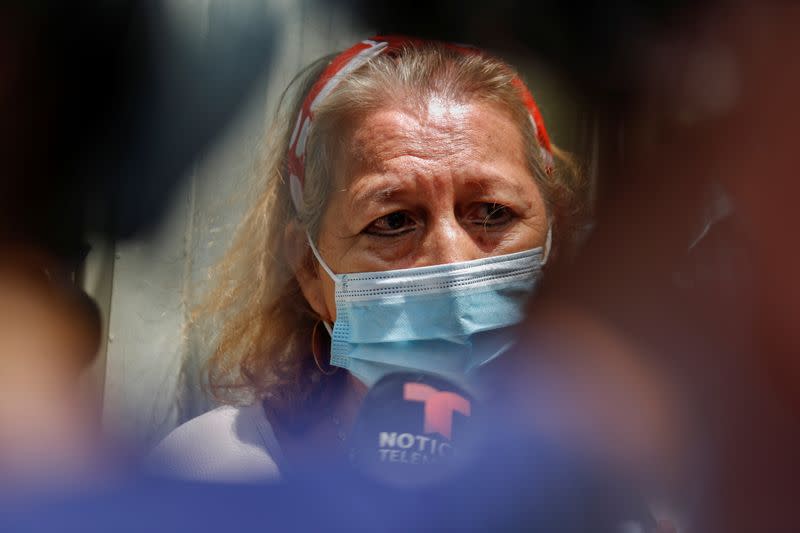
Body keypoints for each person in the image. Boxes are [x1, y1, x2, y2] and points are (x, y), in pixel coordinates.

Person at [148, 36, 588, 482]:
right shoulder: (217, 476)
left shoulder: (626, 482)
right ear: (310, 271)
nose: (453, 263)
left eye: (493, 213)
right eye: (394, 222)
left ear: (555, 242)